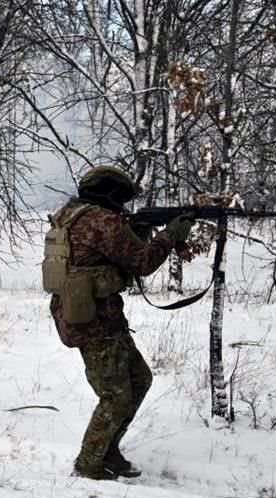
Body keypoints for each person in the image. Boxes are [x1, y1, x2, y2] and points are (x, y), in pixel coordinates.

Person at [45, 165, 194, 480]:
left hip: (97, 316)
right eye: (120, 199)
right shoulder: (100, 220)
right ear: (109, 193)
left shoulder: (73, 214)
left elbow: (116, 254)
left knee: (139, 379)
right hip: (94, 322)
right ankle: (89, 463)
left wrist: (141, 229)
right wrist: (171, 234)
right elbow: (142, 262)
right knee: (116, 396)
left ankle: (107, 450)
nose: (122, 207)